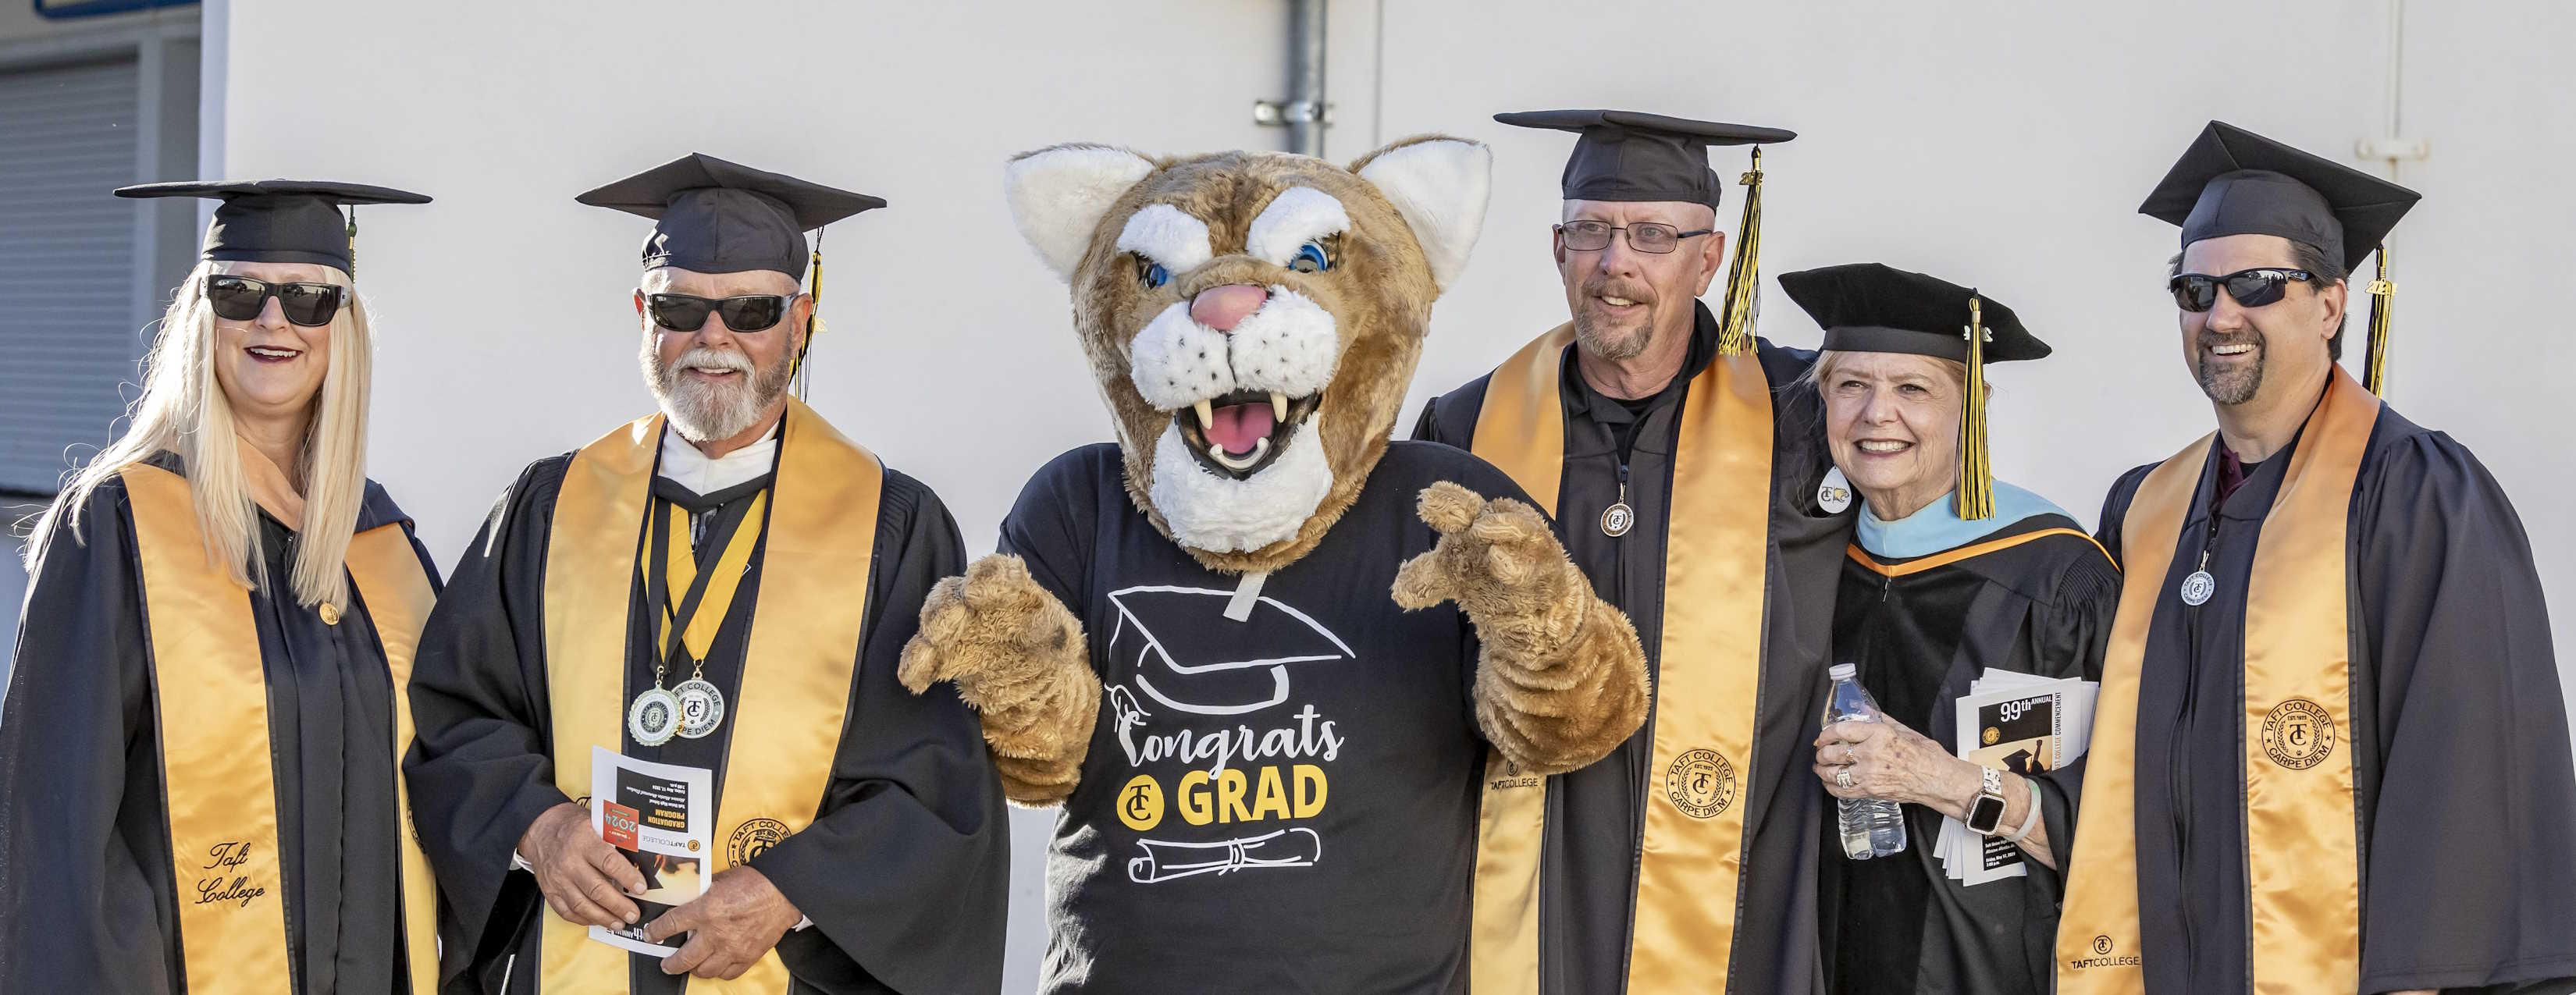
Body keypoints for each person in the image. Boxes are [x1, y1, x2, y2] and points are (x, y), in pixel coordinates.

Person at [899, 134, 1650, 993]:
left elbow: (1574, 732)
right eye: (1159, 276)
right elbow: (1037, 768)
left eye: (1305, 261)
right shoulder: (1077, 502)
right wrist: (1016, 673)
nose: (1228, 308)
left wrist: (1542, 632)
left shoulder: (1446, 503)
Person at [401, 154, 1009, 993]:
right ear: (643, 314)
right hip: (576, 961)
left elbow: (935, 784)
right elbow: (456, 710)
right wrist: (535, 827)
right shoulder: (552, 503)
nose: (713, 338)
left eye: (751, 310)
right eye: (682, 307)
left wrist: (792, 891)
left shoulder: (889, 525)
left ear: (800, 321)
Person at [2054, 121, 2576, 995]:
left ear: (2331, 305)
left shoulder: (2416, 494)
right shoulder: (2145, 507)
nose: (2221, 315)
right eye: (2194, 289)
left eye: (2258, 285)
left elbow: (2466, 775)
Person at [1412, 109, 1849, 995]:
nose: (1618, 263)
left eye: (1653, 235)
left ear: (1711, 256)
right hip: (1526, 882)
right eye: (1592, 232)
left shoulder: (1809, 419)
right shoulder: (1467, 431)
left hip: (1745, 891)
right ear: (1557, 247)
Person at [0, 179, 440, 993]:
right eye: (239, 292)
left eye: (309, 298)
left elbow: (447, 781)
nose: (274, 321)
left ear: (344, 331)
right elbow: (58, 832)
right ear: (202, 318)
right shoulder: (119, 528)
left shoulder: (381, 543)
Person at [1784, 263, 2116, 994]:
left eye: (1912, 389)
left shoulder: (2057, 578)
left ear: (1973, 406)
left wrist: (1945, 780)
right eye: (1851, 385)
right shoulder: (1806, 565)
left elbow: (2126, 818)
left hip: (1994, 970)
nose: (1877, 414)